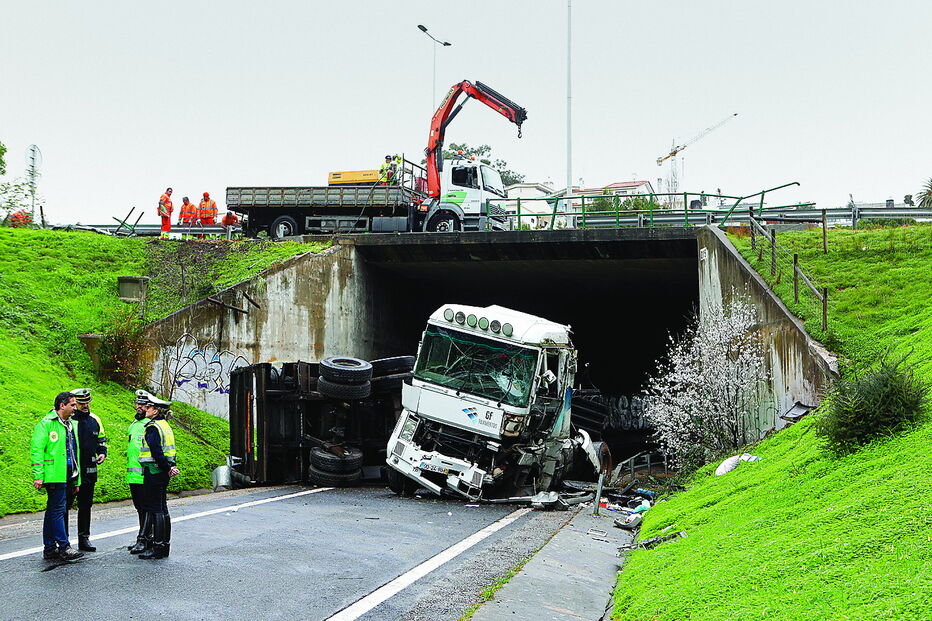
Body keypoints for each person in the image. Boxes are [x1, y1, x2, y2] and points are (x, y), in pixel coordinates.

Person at [30, 392, 83, 561]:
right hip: (54, 475)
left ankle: (50, 548)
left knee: (53, 511)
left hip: (68, 474)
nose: (75, 408)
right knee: (58, 510)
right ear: (62, 405)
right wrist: (39, 475)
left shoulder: (70, 424)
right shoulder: (46, 424)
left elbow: (75, 452)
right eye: (72, 405)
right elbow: (37, 450)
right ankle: (64, 546)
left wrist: (77, 479)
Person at [137, 394, 180, 559]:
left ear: (155, 410)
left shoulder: (153, 427)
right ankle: (164, 546)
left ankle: (157, 547)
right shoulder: (165, 425)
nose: (146, 409)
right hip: (162, 471)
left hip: (154, 471)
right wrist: (170, 467)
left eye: (148, 407)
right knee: (162, 508)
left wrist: (166, 467)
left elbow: (156, 451)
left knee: (156, 509)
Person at [66, 388, 107, 552]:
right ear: (75, 403)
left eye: (87, 402)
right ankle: (64, 541)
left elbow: (101, 441)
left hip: (89, 472)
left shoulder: (95, 420)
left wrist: (103, 453)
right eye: (82, 403)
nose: (85, 406)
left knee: (85, 506)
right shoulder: (68, 420)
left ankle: (84, 539)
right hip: (71, 472)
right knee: (65, 507)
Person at [127, 390, 151, 553]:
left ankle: (144, 538)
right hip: (133, 475)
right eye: (138, 404)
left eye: (143, 405)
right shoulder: (134, 424)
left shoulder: (150, 425)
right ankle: (144, 535)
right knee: (140, 508)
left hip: (145, 474)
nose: (139, 407)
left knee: (147, 507)